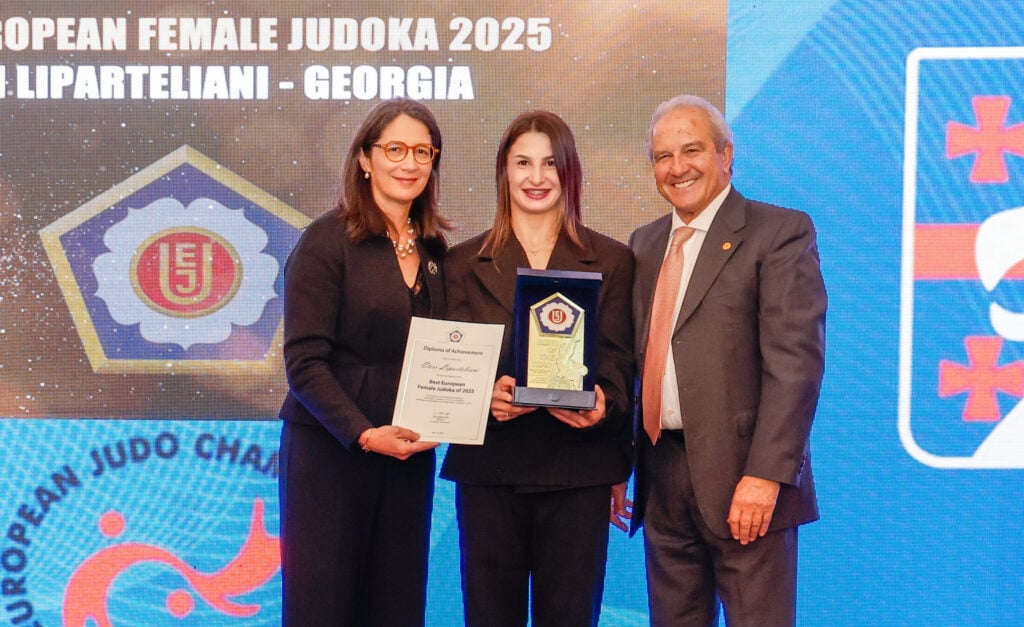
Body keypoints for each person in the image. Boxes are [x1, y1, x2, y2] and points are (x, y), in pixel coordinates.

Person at [628, 94, 827, 626]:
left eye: (691, 150)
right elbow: (633, 361)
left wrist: (766, 475)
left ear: (726, 154)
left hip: (746, 482)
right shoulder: (644, 244)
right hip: (661, 477)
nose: (678, 167)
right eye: (663, 156)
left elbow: (795, 367)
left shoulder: (779, 232)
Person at [441, 110, 635, 627]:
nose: (536, 177)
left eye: (550, 163)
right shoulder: (460, 265)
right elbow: (447, 368)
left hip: (579, 473)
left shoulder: (613, 261)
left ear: (569, 172)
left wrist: (604, 406)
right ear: (504, 172)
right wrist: (482, 396)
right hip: (490, 471)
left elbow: (620, 365)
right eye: (523, 162)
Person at [277, 98, 450, 626]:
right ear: (365, 159)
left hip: (408, 458)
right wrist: (365, 434)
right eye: (394, 149)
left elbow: (448, 352)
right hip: (332, 455)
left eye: (422, 151)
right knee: (323, 607)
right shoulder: (327, 241)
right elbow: (304, 362)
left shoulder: (436, 251)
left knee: (397, 606)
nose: (409, 163)